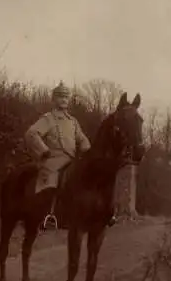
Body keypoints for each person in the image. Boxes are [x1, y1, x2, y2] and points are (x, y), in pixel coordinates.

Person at [25, 81, 116, 228]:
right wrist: (43, 150)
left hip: (71, 159)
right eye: (60, 97)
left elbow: (82, 138)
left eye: (66, 97)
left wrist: (89, 152)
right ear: (53, 100)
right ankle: (50, 215)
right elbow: (31, 133)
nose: (63, 100)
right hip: (53, 160)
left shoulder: (72, 121)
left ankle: (103, 212)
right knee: (54, 181)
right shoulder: (48, 119)